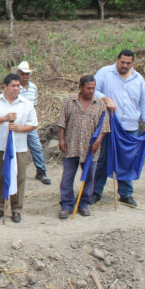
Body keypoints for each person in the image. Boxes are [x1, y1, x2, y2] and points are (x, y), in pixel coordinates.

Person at [92, 49, 145, 207]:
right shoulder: (105, 73)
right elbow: (92, 90)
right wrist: (105, 98)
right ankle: (96, 192)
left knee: (127, 160)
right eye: (122, 62)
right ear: (117, 60)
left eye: (128, 63)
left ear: (133, 63)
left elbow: (144, 103)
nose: (125, 65)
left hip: (130, 126)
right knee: (103, 158)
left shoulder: (138, 79)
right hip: (108, 125)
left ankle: (125, 194)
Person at [0, 73, 38, 223]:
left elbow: (33, 124)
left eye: (18, 86)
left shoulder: (25, 103)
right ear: (5, 86)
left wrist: (19, 128)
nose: (16, 89)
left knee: (18, 177)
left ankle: (16, 209)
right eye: (13, 86)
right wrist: (3, 119)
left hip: (18, 147)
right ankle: (0, 207)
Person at [57, 75, 109, 219]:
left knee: (89, 176)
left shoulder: (99, 104)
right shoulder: (70, 101)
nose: (91, 91)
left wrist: (97, 141)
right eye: (88, 88)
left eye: (93, 88)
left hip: (90, 148)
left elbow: (104, 127)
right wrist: (61, 140)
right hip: (71, 145)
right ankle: (67, 204)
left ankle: (83, 203)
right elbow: (62, 123)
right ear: (80, 87)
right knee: (67, 176)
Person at [17, 61, 51, 185]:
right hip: (18, 123)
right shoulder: (15, 87)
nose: (25, 76)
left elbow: (34, 105)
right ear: (19, 73)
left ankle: (41, 172)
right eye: (23, 74)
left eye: (27, 74)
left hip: (30, 123)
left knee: (36, 147)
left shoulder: (33, 87)